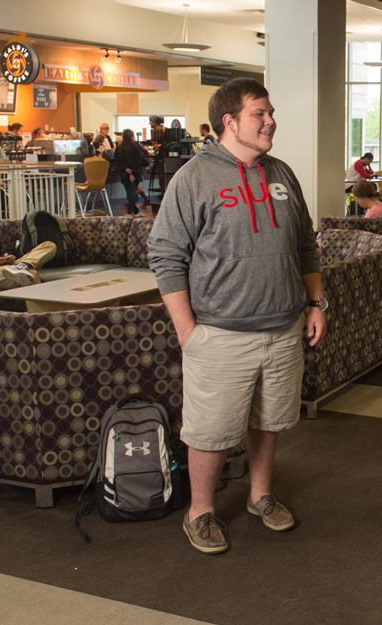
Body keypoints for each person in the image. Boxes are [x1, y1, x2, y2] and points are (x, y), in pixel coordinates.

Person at [148, 77, 325, 555]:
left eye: (270, 113)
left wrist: (315, 303)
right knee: (210, 430)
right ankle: (200, 512)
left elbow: (306, 245)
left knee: (266, 421)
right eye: (259, 114)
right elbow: (166, 256)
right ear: (230, 122)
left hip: (283, 327)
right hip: (220, 332)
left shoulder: (282, 173)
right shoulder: (194, 177)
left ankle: (260, 495)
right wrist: (188, 331)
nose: (270, 121)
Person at [114, 129, 149, 215]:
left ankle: (135, 212)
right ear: (132, 136)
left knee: (129, 193)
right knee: (132, 193)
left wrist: (125, 169)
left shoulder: (119, 148)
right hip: (135, 174)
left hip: (124, 174)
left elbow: (117, 162)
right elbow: (138, 162)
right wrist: (132, 173)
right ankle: (129, 213)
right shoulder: (136, 147)